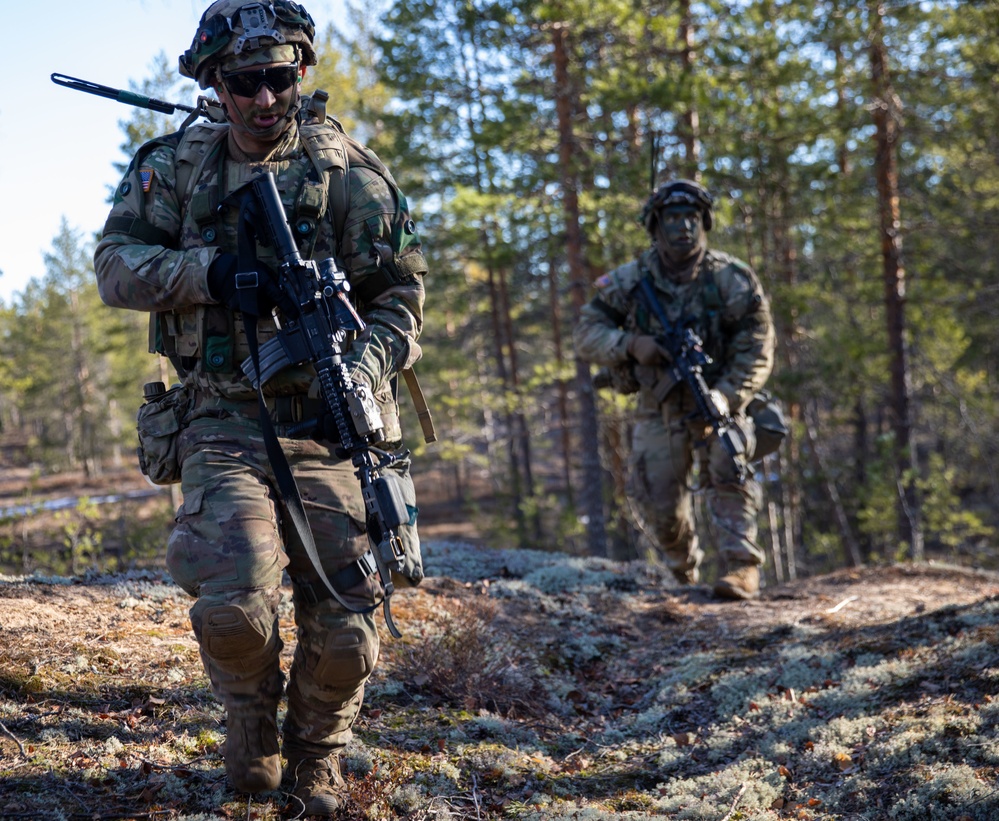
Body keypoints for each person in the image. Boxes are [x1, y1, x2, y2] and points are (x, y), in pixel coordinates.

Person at [93, 1, 429, 814]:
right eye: (245, 81)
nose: (264, 98)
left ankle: (318, 750)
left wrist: (362, 362)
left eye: (279, 77)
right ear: (215, 82)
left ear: (300, 74)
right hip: (220, 416)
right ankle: (251, 716)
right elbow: (114, 266)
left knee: (348, 621)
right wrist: (211, 274)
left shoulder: (350, 175)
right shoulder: (175, 168)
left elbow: (400, 300)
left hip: (326, 421)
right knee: (237, 603)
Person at [573, 179, 776, 600]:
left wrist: (726, 395)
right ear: (655, 226)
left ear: (704, 223)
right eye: (672, 219)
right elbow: (586, 332)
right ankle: (680, 572)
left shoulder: (731, 279)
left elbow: (758, 348)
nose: (683, 227)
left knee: (729, 459)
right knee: (658, 498)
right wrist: (631, 345)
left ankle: (740, 568)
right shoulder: (631, 281)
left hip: (719, 400)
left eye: (692, 218)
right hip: (659, 407)